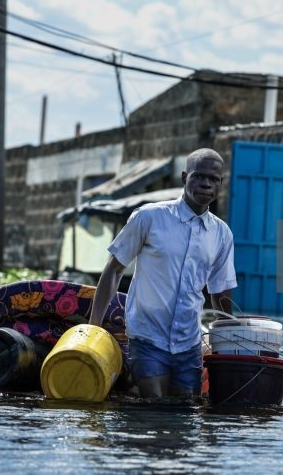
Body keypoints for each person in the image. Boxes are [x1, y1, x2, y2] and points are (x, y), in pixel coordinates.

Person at [89, 148, 237, 398]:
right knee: (155, 404)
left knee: (183, 410)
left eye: (213, 179)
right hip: (147, 336)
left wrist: (229, 341)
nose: (206, 184)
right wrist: (93, 328)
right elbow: (114, 270)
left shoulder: (222, 235)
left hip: (189, 342)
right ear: (184, 178)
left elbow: (220, 292)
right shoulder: (150, 217)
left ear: (220, 183)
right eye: (199, 176)